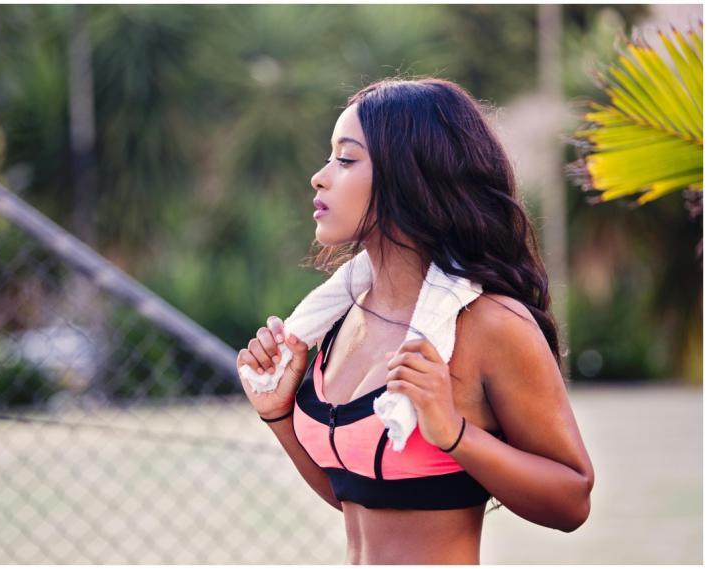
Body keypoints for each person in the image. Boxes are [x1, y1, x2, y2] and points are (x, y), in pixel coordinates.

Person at [236, 77, 594, 565]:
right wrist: (278, 415)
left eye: (345, 159)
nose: (319, 177)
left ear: (409, 174)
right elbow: (357, 495)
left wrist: (453, 433)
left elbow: (572, 500)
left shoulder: (489, 324)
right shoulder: (341, 318)